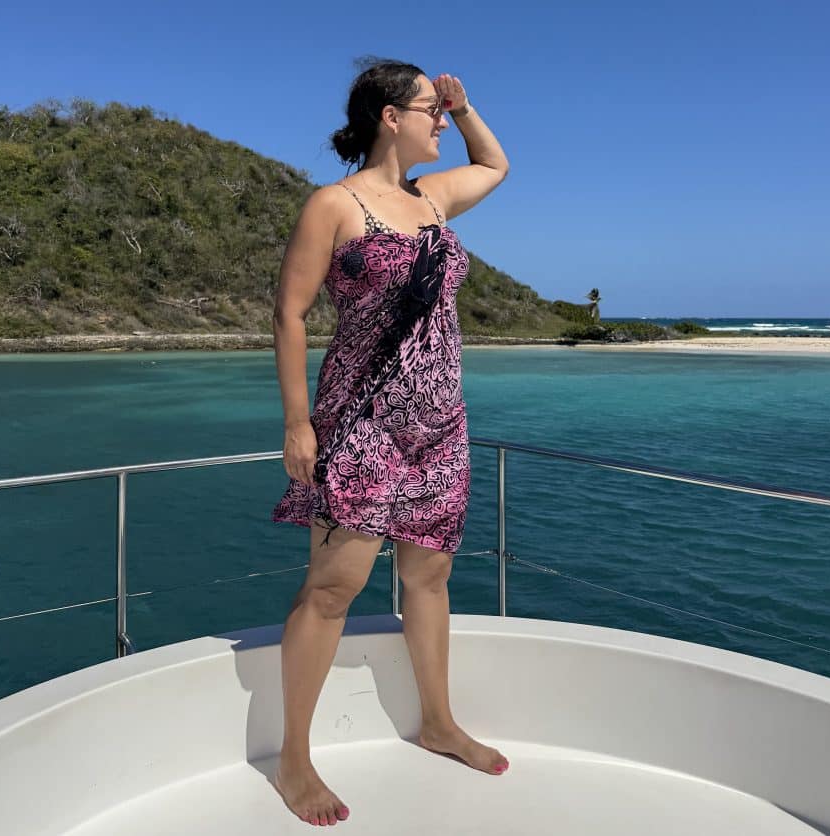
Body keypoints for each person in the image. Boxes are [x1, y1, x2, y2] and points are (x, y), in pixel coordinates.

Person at [270, 57, 510, 826]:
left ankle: (437, 723)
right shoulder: (333, 206)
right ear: (389, 117)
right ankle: (295, 759)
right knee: (332, 587)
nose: (439, 121)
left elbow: (496, 163)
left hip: (439, 423)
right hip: (362, 420)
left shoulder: (433, 199)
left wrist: (466, 106)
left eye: (441, 112)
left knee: (430, 579)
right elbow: (291, 316)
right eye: (429, 110)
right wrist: (298, 422)